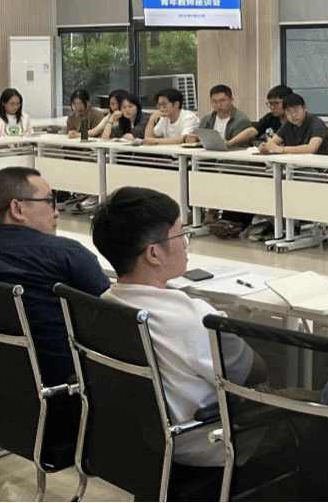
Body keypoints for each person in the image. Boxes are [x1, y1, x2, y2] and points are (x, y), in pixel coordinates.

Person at [94, 186, 266, 468]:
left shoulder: (104, 304)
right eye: (180, 235)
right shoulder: (193, 317)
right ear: (153, 253)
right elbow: (254, 372)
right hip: (210, 445)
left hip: (142, 443)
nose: (185, 243)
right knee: (312, 411)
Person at [0, 167, 109, 385]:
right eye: (49, 202)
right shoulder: (67, 255)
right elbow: (116, 320)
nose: (56, 212)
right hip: (70, 388)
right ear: (17, 208)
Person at [257, 92, 328, 155]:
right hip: (296, 163)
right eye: (289, 111)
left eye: (296, 110)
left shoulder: (316, 123)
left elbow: (312, 148)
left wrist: (282, 149)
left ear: (304, 108)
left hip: (320, 164)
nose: (293, 115)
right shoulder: (287, 125)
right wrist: (265, 147)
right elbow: (272, 143)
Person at [185, 84, 252, 148]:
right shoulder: (206, 120)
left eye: (222, 100)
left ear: (231, 100)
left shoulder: (241, 121)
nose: (218, 105)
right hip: (209, 154)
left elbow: (240, 146)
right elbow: (200, 139)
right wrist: (195, 138)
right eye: (214, 101)